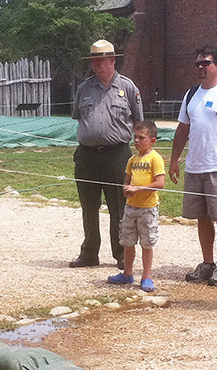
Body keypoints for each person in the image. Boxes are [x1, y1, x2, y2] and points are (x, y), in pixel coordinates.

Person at [69, 39, 144, 270]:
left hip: (116, 155)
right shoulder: (84, 88)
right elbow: (78, 117)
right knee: (88, 206)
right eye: (94, 60)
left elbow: (138, 121)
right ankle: (89, 253)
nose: (97, 64)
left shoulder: (128, 87)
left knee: (118, 207)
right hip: (87, 156)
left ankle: (121, 253)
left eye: (101, 60)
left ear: (113, 60)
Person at [171, 46, 217, 287]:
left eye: (205, 63)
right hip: (195, 165)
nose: (200, 67)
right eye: (197, 63)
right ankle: (207, 263)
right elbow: (182, 128)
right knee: (201, 217)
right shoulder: (191, 95)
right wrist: (174, 159)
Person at [108, 121, 166, 292]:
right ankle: (127, 273)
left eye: (142, 138)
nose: (137, 141)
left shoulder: (155, 158)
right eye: (135, 137)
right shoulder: (132, 160)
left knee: (147, 242)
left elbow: (160, 183)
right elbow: (126, 181)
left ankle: (146, 276)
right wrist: (127, 190)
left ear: (152, 140)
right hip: (130, 207)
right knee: (128, 241)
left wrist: (139, 189)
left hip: (147, 208)